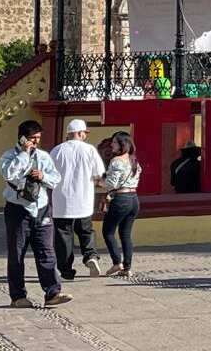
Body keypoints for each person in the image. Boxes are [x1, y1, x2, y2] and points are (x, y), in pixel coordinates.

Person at [0, 120, 72, 307]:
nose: (36, 142)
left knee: (46, 252)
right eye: (32, 138)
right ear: (22, 137)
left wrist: (43, 176)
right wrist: (24, 154)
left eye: (38, 138)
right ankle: (18, 296)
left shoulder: (43, 156)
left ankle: (53, 292)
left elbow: (55, 179)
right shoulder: (8, 156)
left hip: (42, 208)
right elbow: (10, 174)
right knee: (17, 254)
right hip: (18, 209)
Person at [48, 119, 105, 280]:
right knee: (86, 231)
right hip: (84, 201)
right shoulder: (89, 150)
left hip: (61, 201)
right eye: (85, 133)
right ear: (80, 133)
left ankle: (66, 270)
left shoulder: (57, 151)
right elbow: (99, 175)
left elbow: (49, 175)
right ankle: (90, 256)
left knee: (63, 236)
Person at [101, 132, 142, 277]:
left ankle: (117, 261)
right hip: (133, 198)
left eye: (114, 142)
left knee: (108, 232)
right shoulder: (133, 160)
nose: (111, 145)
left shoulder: (116, 161)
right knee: (125, 234)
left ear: (122, 145)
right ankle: (127, 267)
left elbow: (111, 184)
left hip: (120, 198)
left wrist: (98, 181)